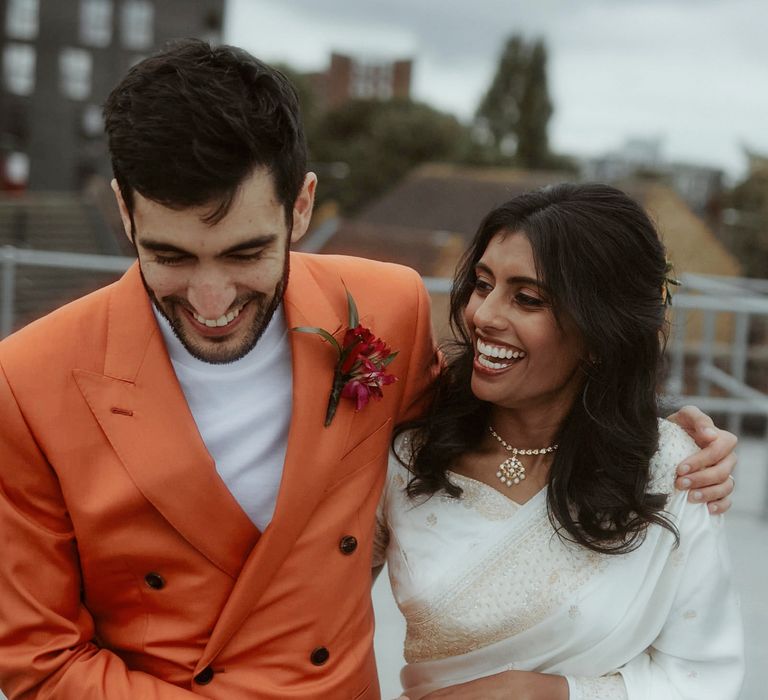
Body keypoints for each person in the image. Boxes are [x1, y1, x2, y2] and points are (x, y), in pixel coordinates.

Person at [0, 40, 734, 700]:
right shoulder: (26, 382)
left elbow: (513, 399)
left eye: (245, 253)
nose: (212, 299)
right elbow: (36, 656)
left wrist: (662, 430)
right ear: (125, 214)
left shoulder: (386, 307)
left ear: (303, 207)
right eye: (170, 256)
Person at [374, 184, 744, 700]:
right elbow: (307, 618)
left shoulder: (673, 470)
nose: (482, 315)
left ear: (601, 330)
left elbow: (704, 677)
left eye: (527, 298)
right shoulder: (410, 451)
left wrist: (546, 693)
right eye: (483, 284)